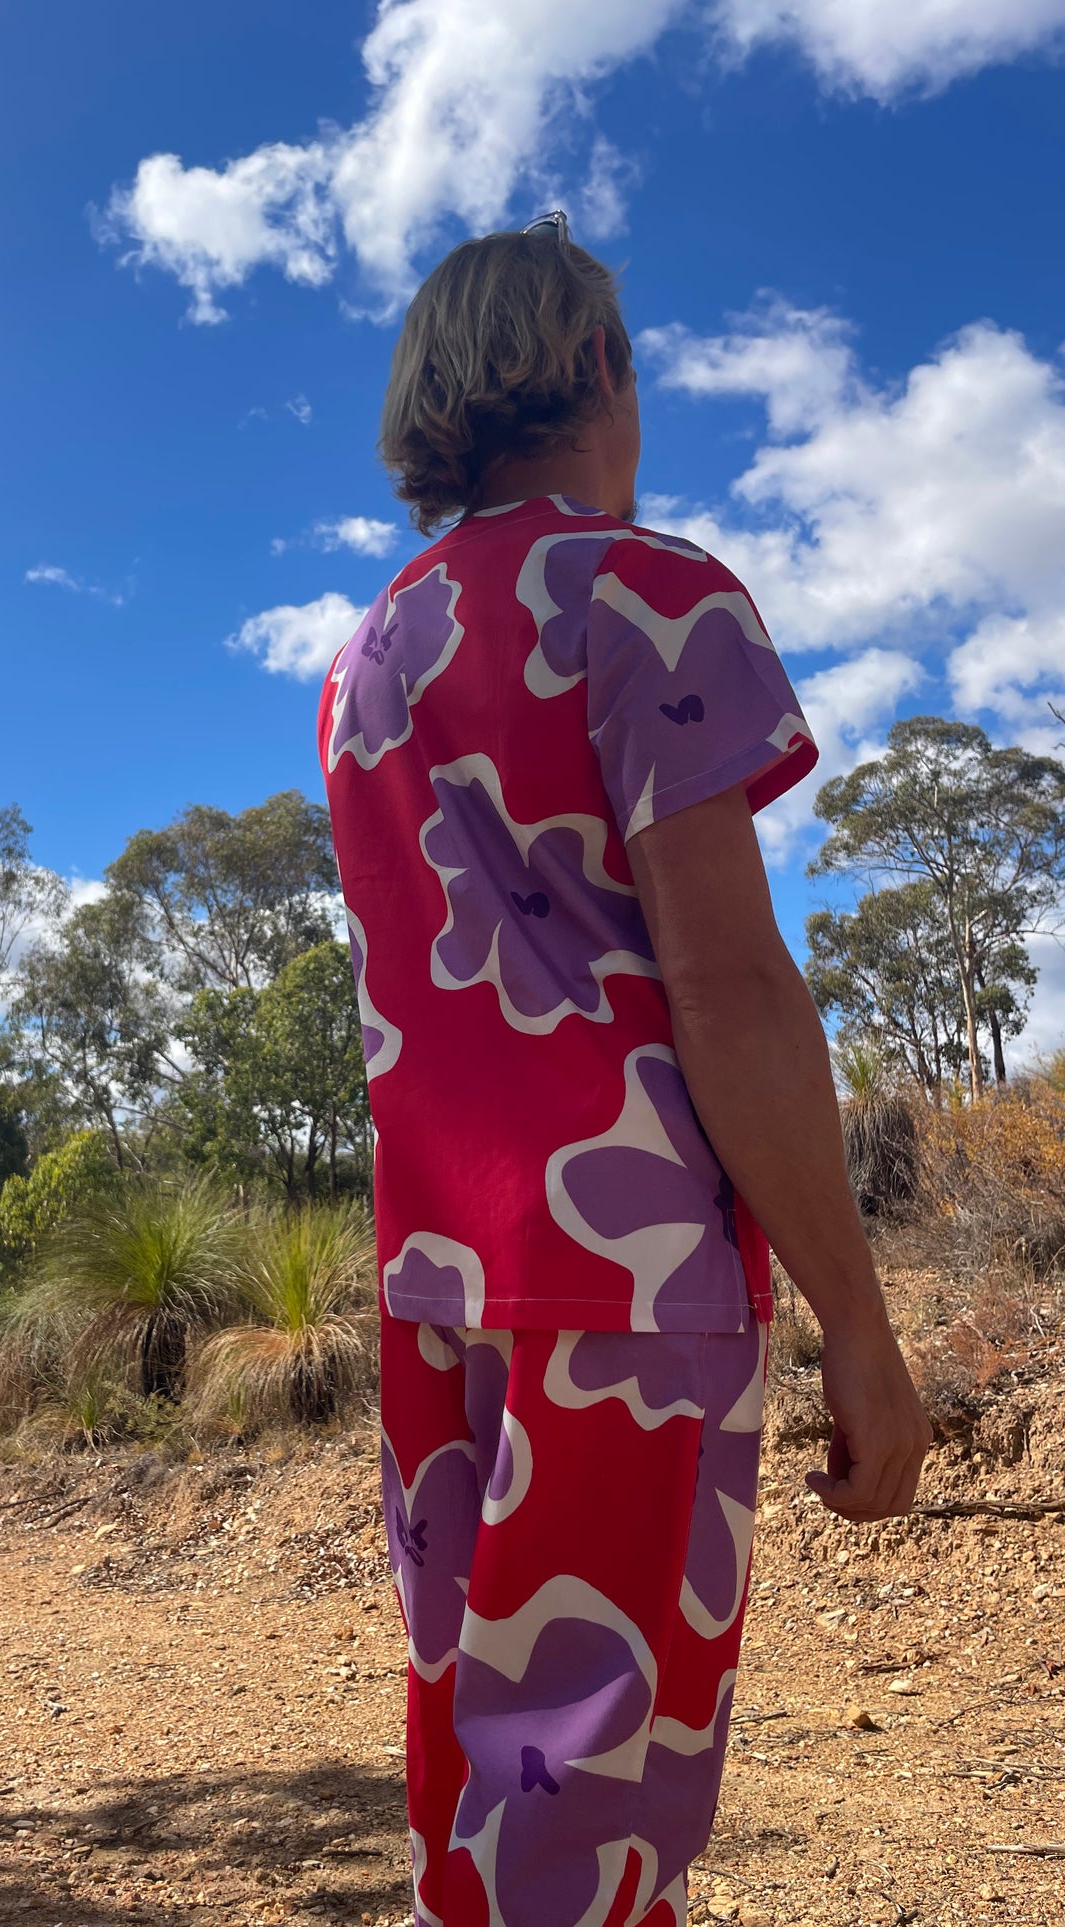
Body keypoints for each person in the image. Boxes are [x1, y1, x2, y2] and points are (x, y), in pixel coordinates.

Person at [317, 215, 933, 1927]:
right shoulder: (649, 597)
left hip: (437, 1271)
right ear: (597, 367)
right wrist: (860, 1335)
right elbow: (728, 986)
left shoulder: (365, 668)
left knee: (487, 1736)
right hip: (628, 1277)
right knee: (596, 1769)